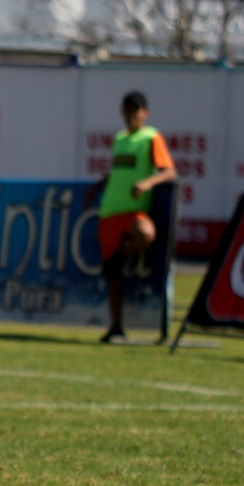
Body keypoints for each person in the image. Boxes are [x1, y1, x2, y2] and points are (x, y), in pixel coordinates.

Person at [87, 90, 176, 343]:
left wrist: (148, 183)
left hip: (134, 210)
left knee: (145, 234)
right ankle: (116, 327)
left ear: (145, 113)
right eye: (127, 111)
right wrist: (98, 185)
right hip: (110, 209)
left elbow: (169, 172)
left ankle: (122, 254)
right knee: (113, 275)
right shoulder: (119, 139)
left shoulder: (151, 137)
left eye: (136, 111)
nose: (131, 116)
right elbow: (118, 171)